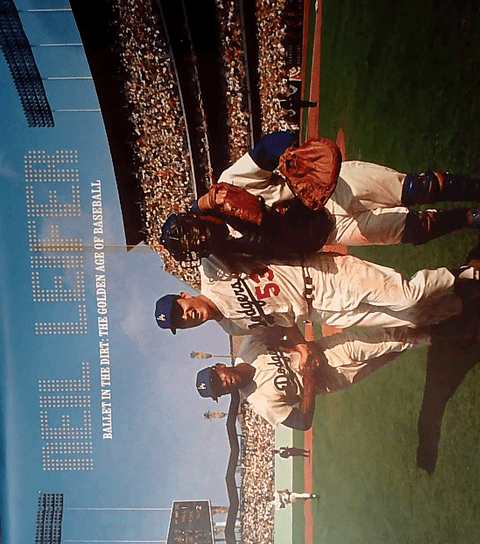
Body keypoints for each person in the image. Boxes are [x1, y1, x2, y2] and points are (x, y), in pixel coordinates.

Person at [158, 131, 480, 267]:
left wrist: (289, 156)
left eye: (197, 232)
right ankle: (470, 219)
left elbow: (270, 145)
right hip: (328, 233)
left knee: (418, 188)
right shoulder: (226, 256)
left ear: (196, 217)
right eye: (198, 246)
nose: (204, 239)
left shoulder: (228, 185)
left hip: (331, 191)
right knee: (414, 228)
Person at [155, 249, 480, 371]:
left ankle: (468, 273)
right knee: (413, 316)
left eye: (180, 310)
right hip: (320, 312)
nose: (186, 318)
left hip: (322, 276)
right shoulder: (233, 329)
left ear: (185, 294)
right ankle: (466, 298)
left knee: (407, 297)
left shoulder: (212, 270)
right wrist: (299, 345)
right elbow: (280, 325)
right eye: (180, 324)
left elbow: (210, 234)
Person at [194, 323, 476, 430]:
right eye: (220, 391)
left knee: (391, 338)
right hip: (333, 380)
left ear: (220, 367)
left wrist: (300, 346)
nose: (224, 384)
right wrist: (310, 382)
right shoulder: (260, 402)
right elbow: (302, 422)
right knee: (390, 352)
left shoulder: (249, 347)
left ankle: (460, 332)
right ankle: (447, 328)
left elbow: (283, 323)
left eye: (218, 379)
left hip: (329, 350)